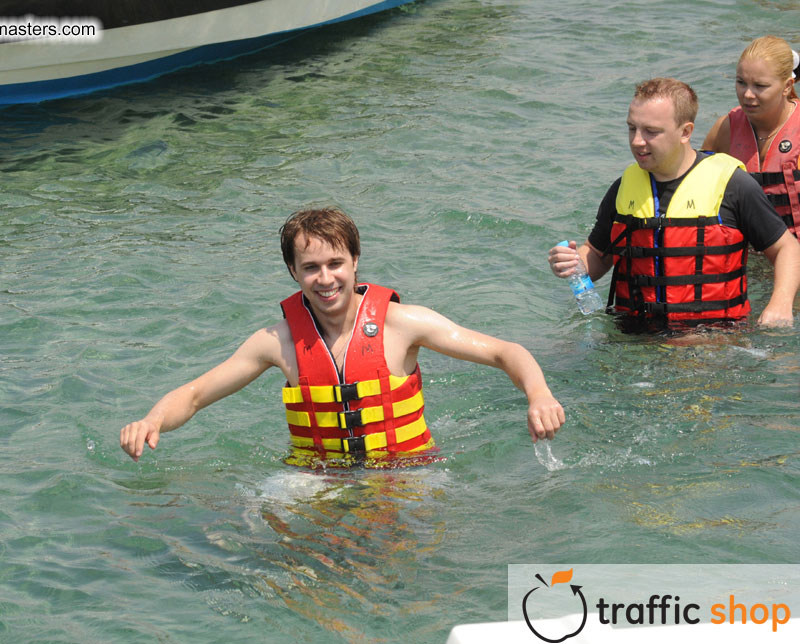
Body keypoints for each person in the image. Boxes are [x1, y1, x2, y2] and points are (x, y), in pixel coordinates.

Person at [121, 207, 566, 467]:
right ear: (294, 273)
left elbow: (505, 352)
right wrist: (153, 421)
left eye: (335, 263)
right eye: (311, 268)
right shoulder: (275, 343)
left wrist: (539, 394)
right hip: (315, 477)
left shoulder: (402, 323)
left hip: (406, 472)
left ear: (355, 261)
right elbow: (196, 394)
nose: (325, 278)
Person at [548, 78, 800, 328]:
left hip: (713, 341)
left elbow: (787, 248)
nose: (637, 140)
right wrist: (574, 263)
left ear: (685, 132)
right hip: (633, 338)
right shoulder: (624, 187)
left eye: (651, 131)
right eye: (631, 128)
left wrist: (780, 303)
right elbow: (598, 255)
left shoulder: (733, 185)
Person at [702, 36, 800, 237]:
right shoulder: (724, 129)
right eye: (741, 82)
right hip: (744, 254)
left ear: (787, 86)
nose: (747, 94)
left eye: (760, 86)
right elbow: (698, 192)